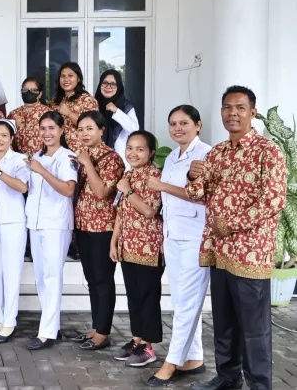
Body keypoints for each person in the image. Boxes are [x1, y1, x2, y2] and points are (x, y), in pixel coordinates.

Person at [187, 86, 287, 390]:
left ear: (252, 112)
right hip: (219, 250)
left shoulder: (268, 151)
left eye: (240, 108)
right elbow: (198, 194)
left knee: (254, 328)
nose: (233, 113)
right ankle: (229, 377)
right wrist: (192, 176)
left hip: (250, 253)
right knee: (225, 321)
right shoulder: (216, 152)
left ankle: (259, 385)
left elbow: (273, 200)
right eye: (227, 107)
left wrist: (230, 224)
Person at [145, 105, 211, 387]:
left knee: (188, 302)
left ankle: (171, 362)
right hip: (173, 235)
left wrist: (161, 186)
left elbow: (202, 195)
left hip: (196, 236)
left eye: (184, 123)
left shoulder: (206, 154)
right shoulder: (173, 156)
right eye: (173, 123)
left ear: (198, 125)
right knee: (182, 300)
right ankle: (193, 358)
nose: (177, 128)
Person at [109, 130, 164, 368]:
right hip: (128, 245)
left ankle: (148, 348)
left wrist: (128, 190)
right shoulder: (128, 175)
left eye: (140, 149)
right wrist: (114, 241)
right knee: (133, 296)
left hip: (149, 248)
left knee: (148, 298)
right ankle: (137, 340)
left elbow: (150, 211)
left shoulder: (155, 176)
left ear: (151, 153)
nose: (133, 153)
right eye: (130, 148)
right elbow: (121, 212)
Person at [23, 112, 77, 350]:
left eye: (52, 128)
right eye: (43, 128)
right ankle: (52, 326)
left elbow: (68, 190)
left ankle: (46, 333)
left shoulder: (66, 157)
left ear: (62, 130)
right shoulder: (36, 156)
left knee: (52, 277)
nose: (47, 133)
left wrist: (42, 171)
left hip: (56, 223)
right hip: (35, 223)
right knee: (41, 277)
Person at [71, 111, 124, 350]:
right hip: (83, 225)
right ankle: (96, 327)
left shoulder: (112, 159)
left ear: (102, 130)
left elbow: (102, 192)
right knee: (92, 279)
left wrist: (87, 164)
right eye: (80, 129)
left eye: (89, 128)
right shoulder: (83, 154)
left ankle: (103, 332)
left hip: (103, 228)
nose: (84, 133)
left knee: (103, 280)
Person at [0, 119, 29, 343]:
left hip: (13, 222)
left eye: (3, 135)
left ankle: (10, 321)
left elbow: (23, 186)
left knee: (11, 273)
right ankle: (2, 319)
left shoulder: (19, 159)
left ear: (11, 138)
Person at [95, 69, 139, 170]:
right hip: (96, 158)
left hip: (118, 160)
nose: (108, 87)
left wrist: (117, 111)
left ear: (118, 86)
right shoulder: (93, 104)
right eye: (105, 83)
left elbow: (134, 130)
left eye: (113, 84)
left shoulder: (126, 107)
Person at [50, 62, 99, 152]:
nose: (66, 79)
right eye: (63, 76)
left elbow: (92, 127)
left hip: (80, 151)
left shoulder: (87, 100)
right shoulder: (54, 101)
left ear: (78, 79)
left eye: (70, 76)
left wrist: (69, 113)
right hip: (57, 151)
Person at [8, 77, 52, 156]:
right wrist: (15, 125)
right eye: (25, 90)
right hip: (19, 160)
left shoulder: (48, 113)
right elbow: (6, 138)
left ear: (40, 94)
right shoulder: (13, 114)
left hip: (43, 159)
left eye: (33, 90)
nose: (28, 92)